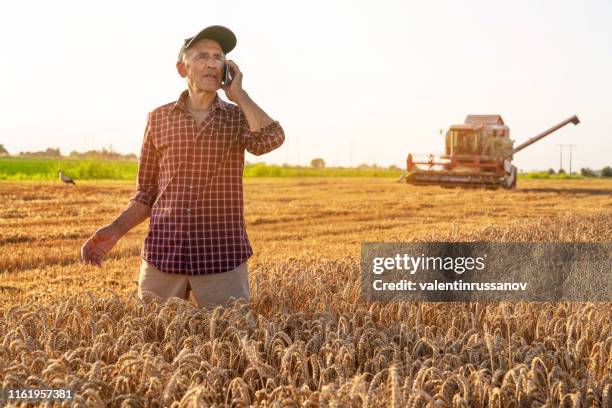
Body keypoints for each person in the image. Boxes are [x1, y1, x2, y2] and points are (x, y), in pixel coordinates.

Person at [80, 25, 285, 307]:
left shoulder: (238, 117)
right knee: (153, 340)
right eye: (202, 56)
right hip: (163, 257)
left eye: (218, 56)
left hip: (221, 257)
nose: (213, 62)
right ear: (182, 68)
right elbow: (146, 192)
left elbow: (271, 139)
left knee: (230, 343)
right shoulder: (158, 119)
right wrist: (114, 230)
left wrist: (240, 95)